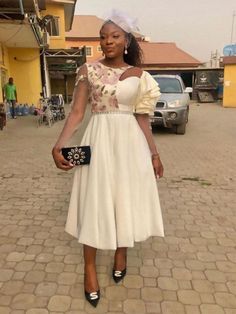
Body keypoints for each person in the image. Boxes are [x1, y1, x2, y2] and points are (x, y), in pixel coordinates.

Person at [52, 9, 164, 308]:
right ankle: (89, 268)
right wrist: (59, 144)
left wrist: (154, 153)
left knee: (124, 198)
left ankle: (121, 251)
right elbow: (77, 113)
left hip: (130, 145)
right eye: (103, 37)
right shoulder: (88, 70)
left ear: (126, 40)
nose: (107, 42)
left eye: (114, 36)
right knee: (95, 201)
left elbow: (142, 119)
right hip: (98, 139)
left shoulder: (140, 76)